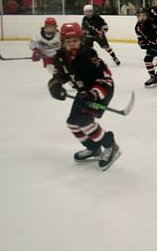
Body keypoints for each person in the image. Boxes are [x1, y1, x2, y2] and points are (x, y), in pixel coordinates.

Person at [47, 22, 121, 171]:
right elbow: (59, 76)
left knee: (84, 121)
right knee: (73, 123)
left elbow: (105, 78)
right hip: (83, 92)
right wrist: (55, 86)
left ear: (81, 40)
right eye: (68, 41)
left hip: (101, 90)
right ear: (62, 42)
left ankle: (110, 145)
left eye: (75, 40)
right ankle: (94, 148)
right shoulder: (60, 57)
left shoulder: (89, 54)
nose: (72, 44)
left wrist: (93, 94)